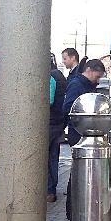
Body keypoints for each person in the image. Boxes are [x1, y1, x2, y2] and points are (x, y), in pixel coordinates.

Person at [63, 59, 105, 219]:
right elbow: (68, 107)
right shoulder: (77, 85)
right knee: (78, 170)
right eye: (97, 76)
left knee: (83, 170)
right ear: (89, 70)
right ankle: (73, 209)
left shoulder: (86, 85)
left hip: (83, 131)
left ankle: (80, 207)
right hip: (78, 132)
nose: (98, 80)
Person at [47, 58, 67, 203]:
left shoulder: (50, 77)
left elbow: (48, 100)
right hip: (59, 122)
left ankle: (49, 190)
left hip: (49, 122)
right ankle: (51, 189)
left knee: (45, 158)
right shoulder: (61, 76)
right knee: (53, 158)